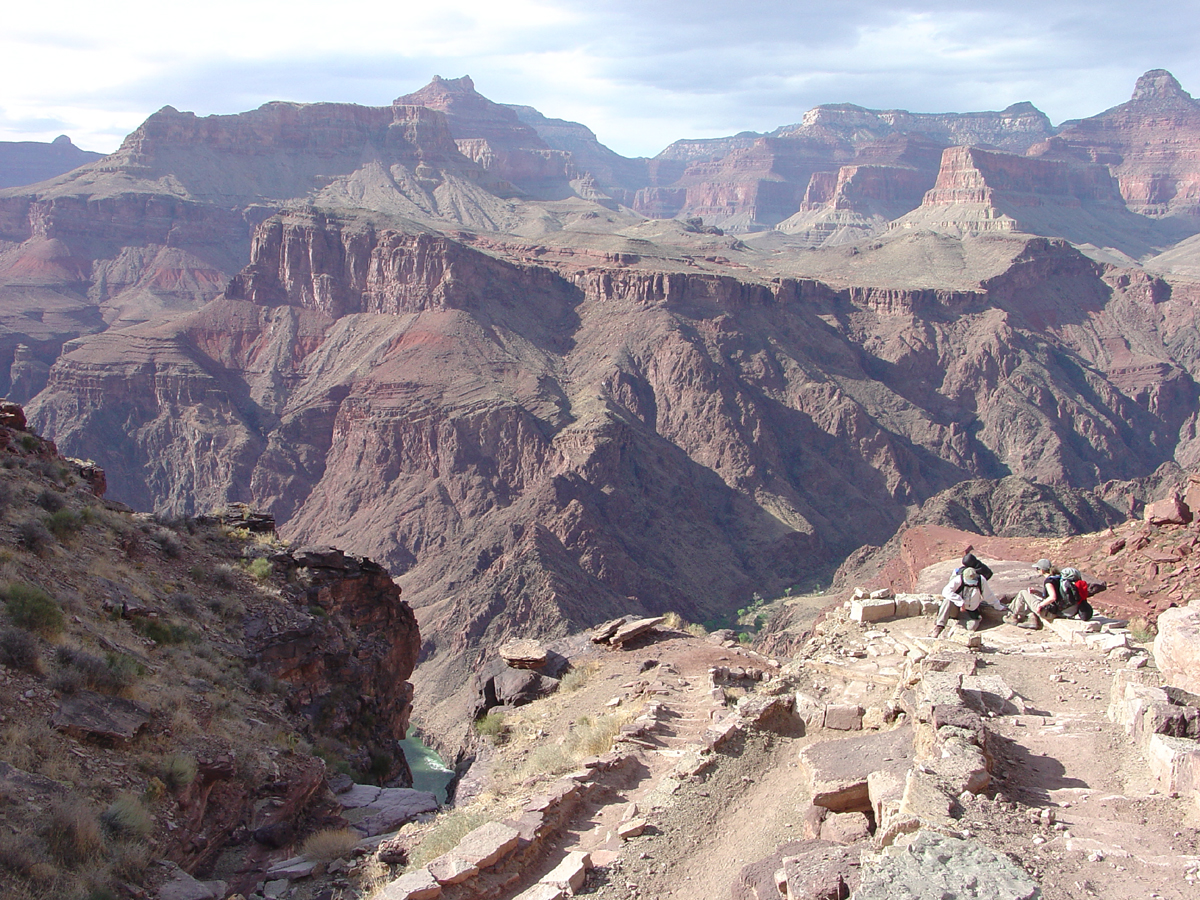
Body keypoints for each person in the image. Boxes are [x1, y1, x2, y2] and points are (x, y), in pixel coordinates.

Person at [931, 564, 1008, 637]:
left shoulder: (981, 581)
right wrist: (960, 602)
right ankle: (939, 626)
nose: (971, 584)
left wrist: (999, 606)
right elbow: (946, 592)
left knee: (971, 627)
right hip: (956, 609)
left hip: (969, 612)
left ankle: (954, 626)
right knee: (947, 601)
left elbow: (989, 595)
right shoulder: (958, 580)